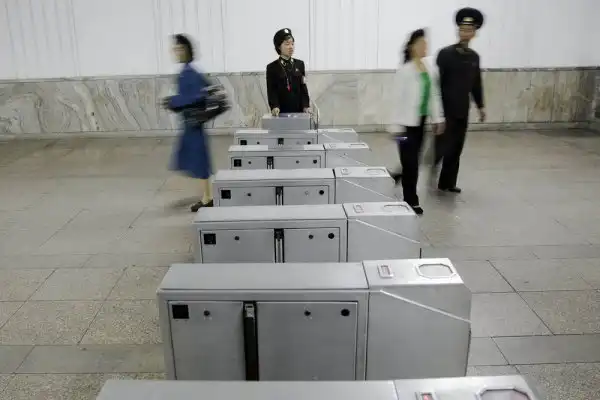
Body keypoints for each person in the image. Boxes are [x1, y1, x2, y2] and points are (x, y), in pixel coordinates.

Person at [388, 29, 444, 215]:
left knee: (413, 161)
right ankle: (411, 200)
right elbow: (395, 100)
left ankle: (399, 176)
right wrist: (395, 128)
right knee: (410, 162)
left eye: (425, 44)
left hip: (420, 124)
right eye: (421, 44)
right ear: (412, 47)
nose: (424, 47)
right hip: (403, 127)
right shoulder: (405, 71)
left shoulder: (429, 69)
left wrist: (438, 118)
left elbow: (434, 95)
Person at [432, 7, 485, 193]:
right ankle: (420, 173)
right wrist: (436, 113)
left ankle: (447, 183)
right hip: (445, 110)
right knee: (439, 149)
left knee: (456, 148)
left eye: (469, 30)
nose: (465, 33)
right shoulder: (445, 54)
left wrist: (481, 106)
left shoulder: (474, 57)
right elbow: (436, 84)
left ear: (474, 33)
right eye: (462, 29)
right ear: (458, 31)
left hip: (462, 110)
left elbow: (476, 83)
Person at [163, 34, 214, 212]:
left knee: (200, 161)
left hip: (194, 123)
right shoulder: (188, 72)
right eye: (175, 49)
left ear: (186, 50)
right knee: (198, 160)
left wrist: (175, 101)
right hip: (191, 122)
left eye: (179, 49)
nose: (175, 52)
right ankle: (207, 196)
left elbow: (197, 96)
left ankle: (208, 198)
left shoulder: (189, 73)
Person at [266, 28, 311, 116]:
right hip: (281, 113)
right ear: (279, 46)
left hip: (299, 112)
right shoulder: (272, 67)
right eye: (287, 44)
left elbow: (303, 87)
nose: (291, 47)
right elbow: (272, 90)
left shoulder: (299, 64)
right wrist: (274, 106)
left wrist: (306, 105)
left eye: (292, 44)